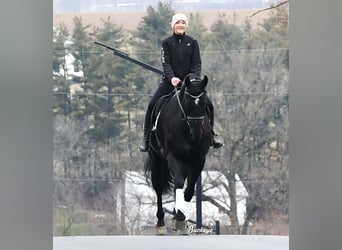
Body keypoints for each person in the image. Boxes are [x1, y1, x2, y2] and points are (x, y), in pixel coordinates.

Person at [139, 13, 223, 152]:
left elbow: (197, 63)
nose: (181, 25)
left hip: (190, 84)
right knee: (152, 104)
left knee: (209, 104)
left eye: (183, 23)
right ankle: (146, 138)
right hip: (169, 82)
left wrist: (193, 78)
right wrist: (172, 77)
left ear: (186, 26)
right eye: (178, 23)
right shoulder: (167, 43)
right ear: (173, 25)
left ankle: (212, 136)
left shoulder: (192, 42)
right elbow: (166, 63)